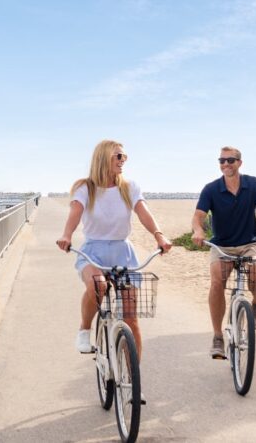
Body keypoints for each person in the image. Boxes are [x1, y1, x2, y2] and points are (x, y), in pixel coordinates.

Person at [56, 140, 172, 360]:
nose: (123, 161)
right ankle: (84, 329)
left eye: (124, 157)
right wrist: (67, 235)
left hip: (122, 251)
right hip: (93, 251)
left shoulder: (129, 188)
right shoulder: (85, 188)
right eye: (118, 156)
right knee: (97, 285)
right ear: (104, 158)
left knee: (131, 317)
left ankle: (133, 380)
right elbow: (75, 212)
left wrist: (159, 235)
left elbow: (143, 211)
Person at [190, 146, 256, 360]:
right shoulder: (211, 189)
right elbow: (198, 216)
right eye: (222, 161)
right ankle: (218, 337)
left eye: (230, 160)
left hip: (249, 243)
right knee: (217, 281)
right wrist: (198, 230)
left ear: (239, 163)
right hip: (222, 246)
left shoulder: (252, 184)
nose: (226, 164)